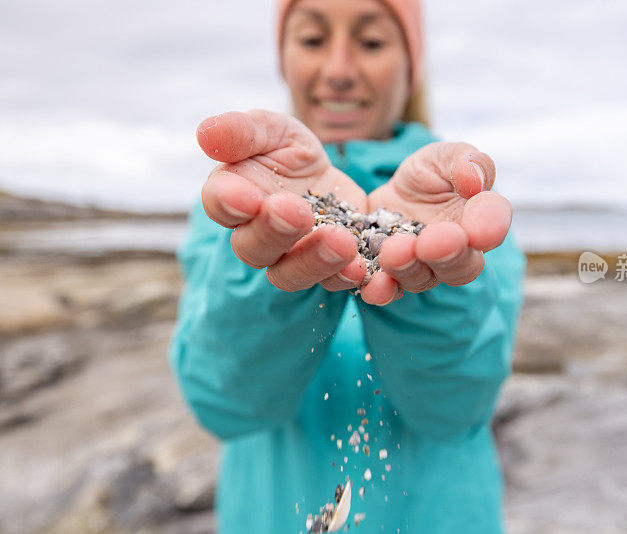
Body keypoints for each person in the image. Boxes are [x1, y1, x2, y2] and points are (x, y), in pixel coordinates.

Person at [168, 0, 525, 532]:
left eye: (372, 41)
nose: (338, 70)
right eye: (312, 39)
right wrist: (270, 266)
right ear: (283, 58)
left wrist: (426, 288)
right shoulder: (235, 202)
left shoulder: (459, 204)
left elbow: (458, 409)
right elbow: (224, 405)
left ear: (412, 65)